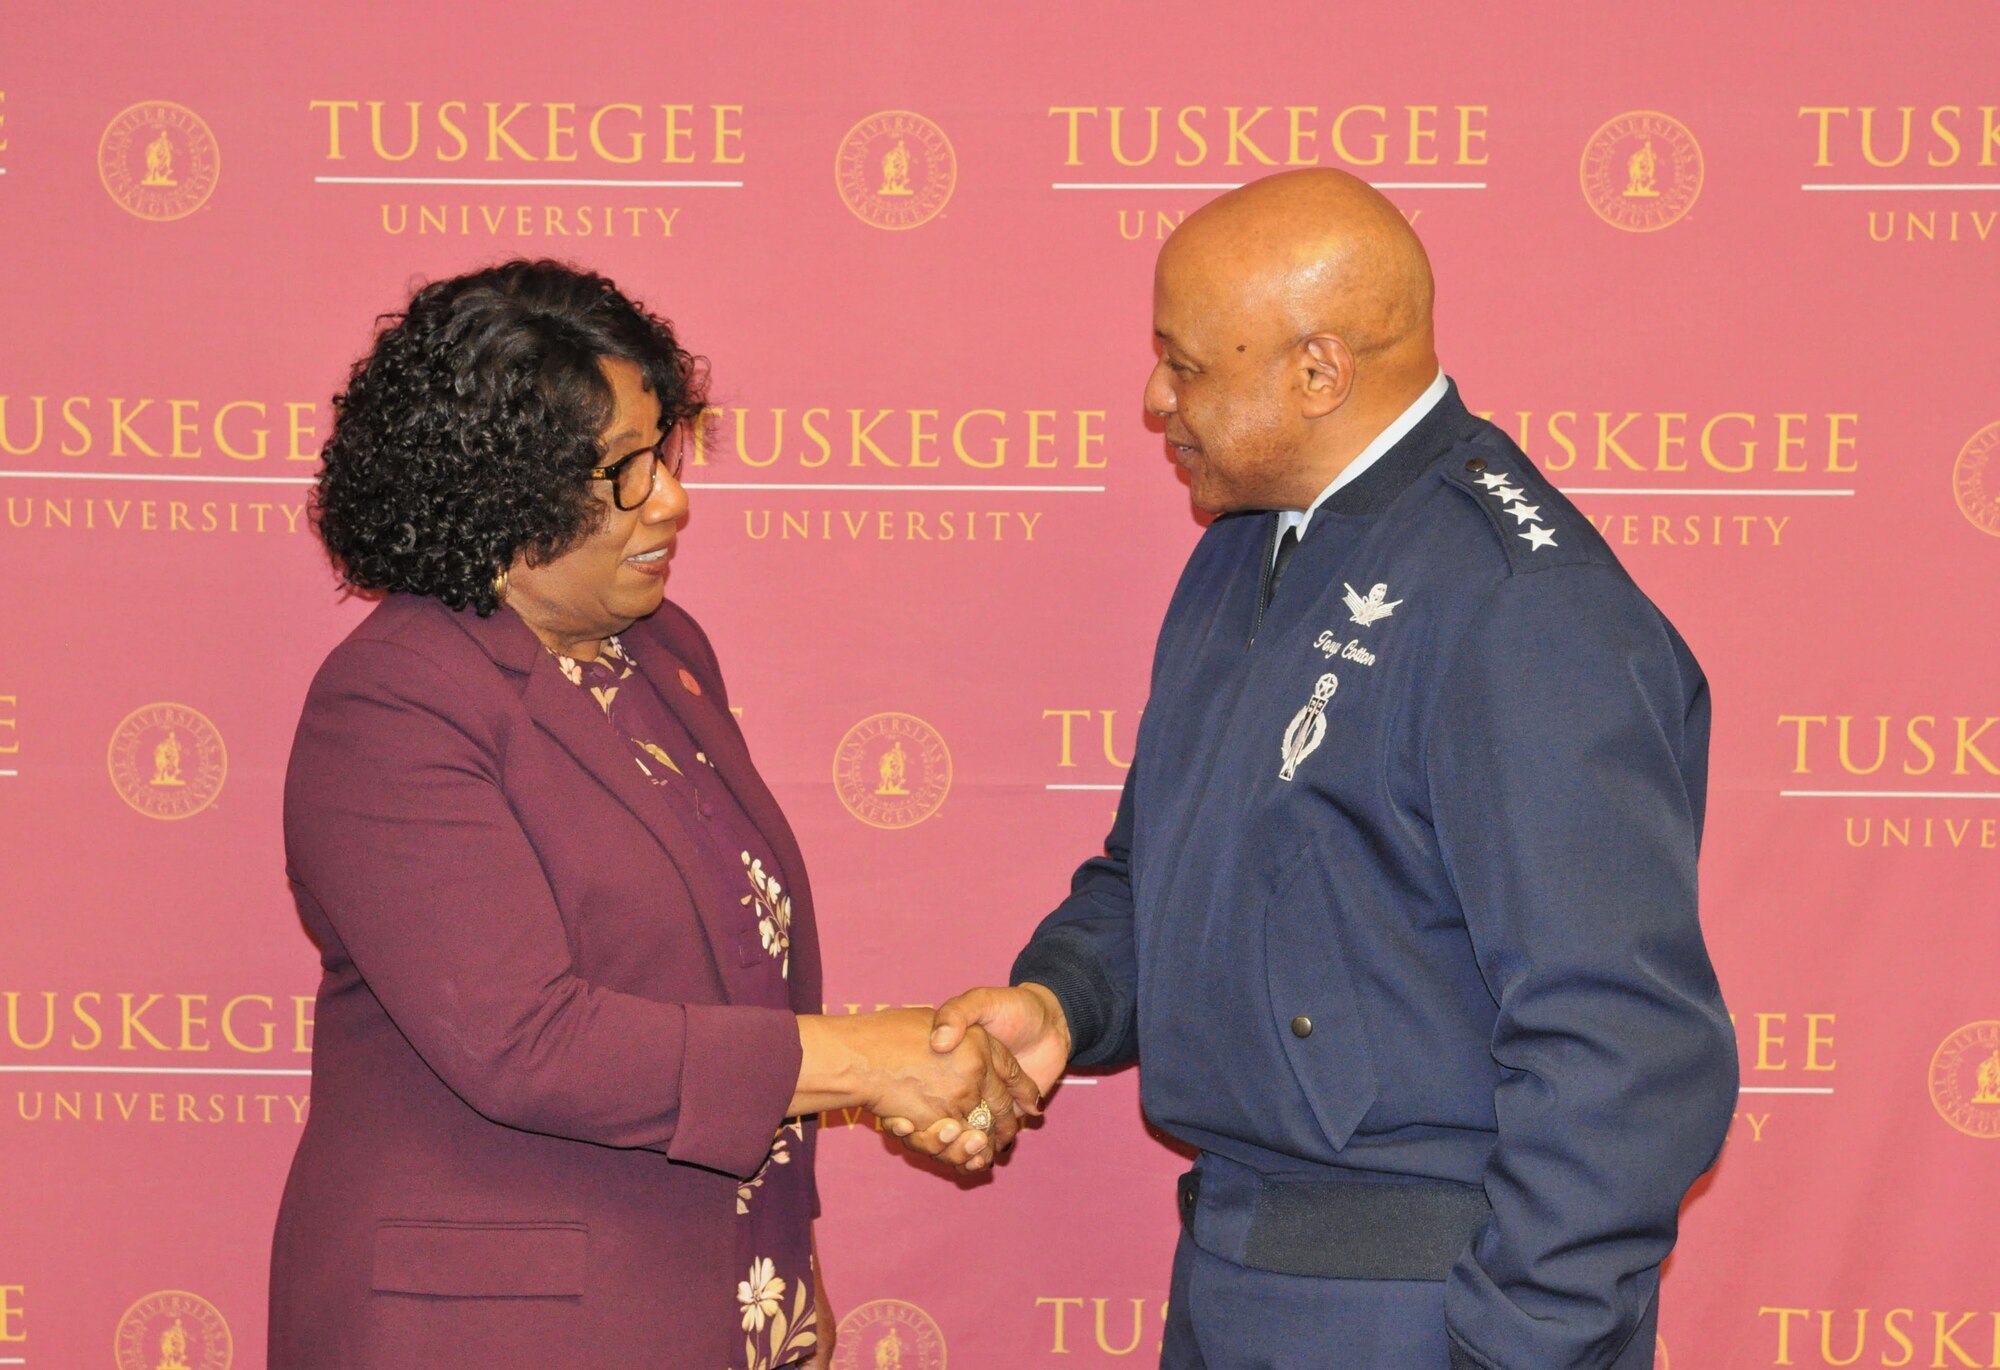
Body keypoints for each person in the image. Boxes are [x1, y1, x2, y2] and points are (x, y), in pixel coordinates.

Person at [919, 170, 1738, 1368]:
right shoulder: (1247, 544)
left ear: (1317, 371)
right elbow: (1157, 870)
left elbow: (1621, 1045)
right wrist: (1059, 1002)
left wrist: (1516, 1343)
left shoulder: (1522, 606)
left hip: (1418, 1304)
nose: (1156, 400)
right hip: (1234, 1270)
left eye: (1184, 363)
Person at [272, 260, 1035, 1370]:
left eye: (662, 454)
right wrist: (870, 1059)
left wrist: (779, 1266)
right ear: (501, 490)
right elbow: (524, 1040)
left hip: (708, 1294)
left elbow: (735, 969)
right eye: (624, 470)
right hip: (489, 1328)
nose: (669, 499)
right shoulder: (393, 699)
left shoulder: (663, 653)